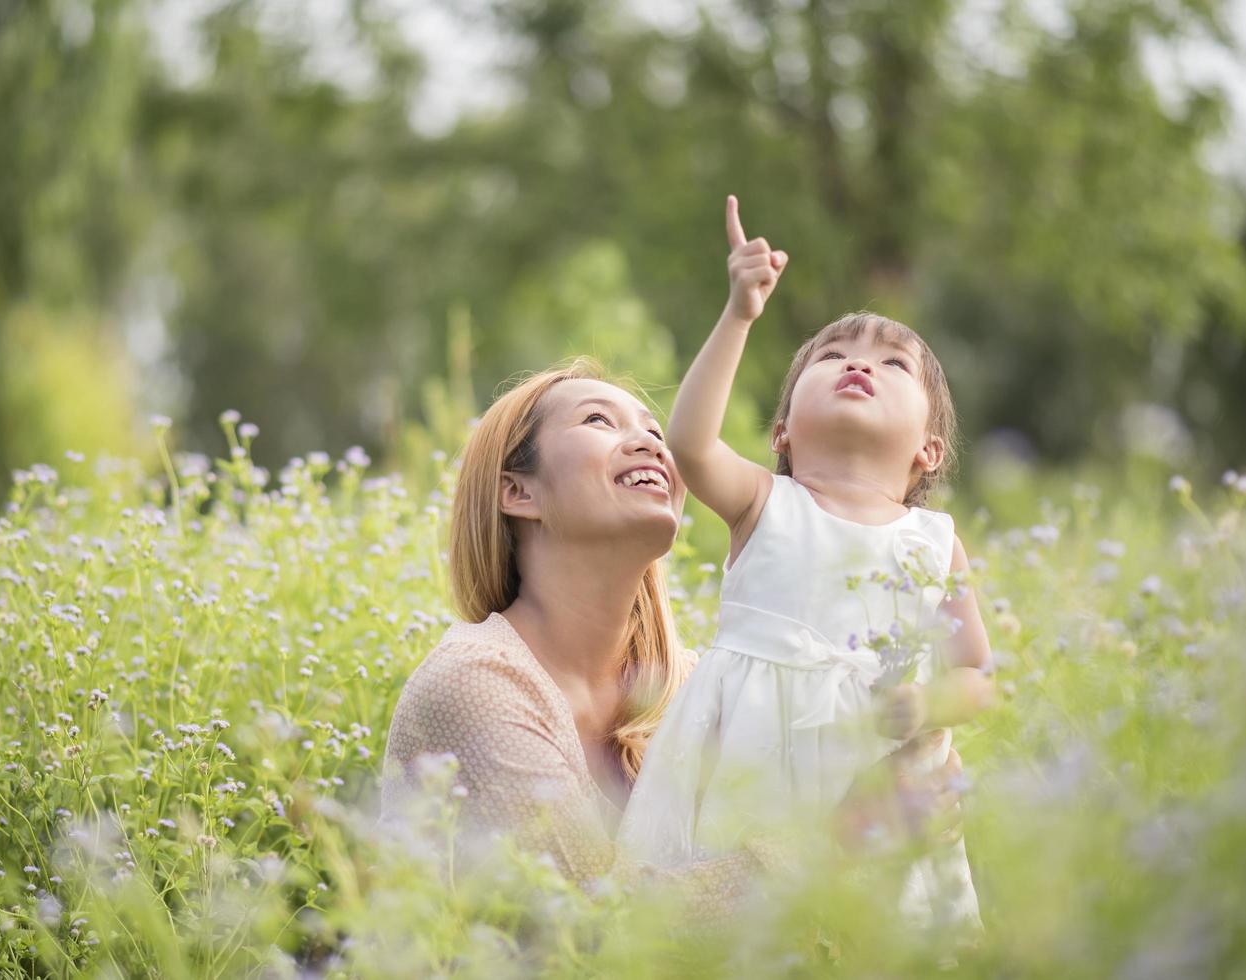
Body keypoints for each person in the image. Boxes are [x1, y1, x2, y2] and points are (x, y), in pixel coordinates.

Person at [379, 357, 970, 919]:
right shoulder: (476, 683)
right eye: (597, 421)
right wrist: (844, 838)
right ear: (518, 492)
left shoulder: (701, 694)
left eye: (656, 430)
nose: (651, 444)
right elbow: (596, 924)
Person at [616, 197, 995, 934]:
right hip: (746, 755)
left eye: (892, 364)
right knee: (739, 925)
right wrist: (739, 314)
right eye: (831, 357)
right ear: (783, 429)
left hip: (873, 765)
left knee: (870, 935)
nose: (858, 363)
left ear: (928, 450)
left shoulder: (932, 540)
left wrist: (928, 707)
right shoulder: (765, 503)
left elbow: (978, 674)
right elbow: (690, 443)